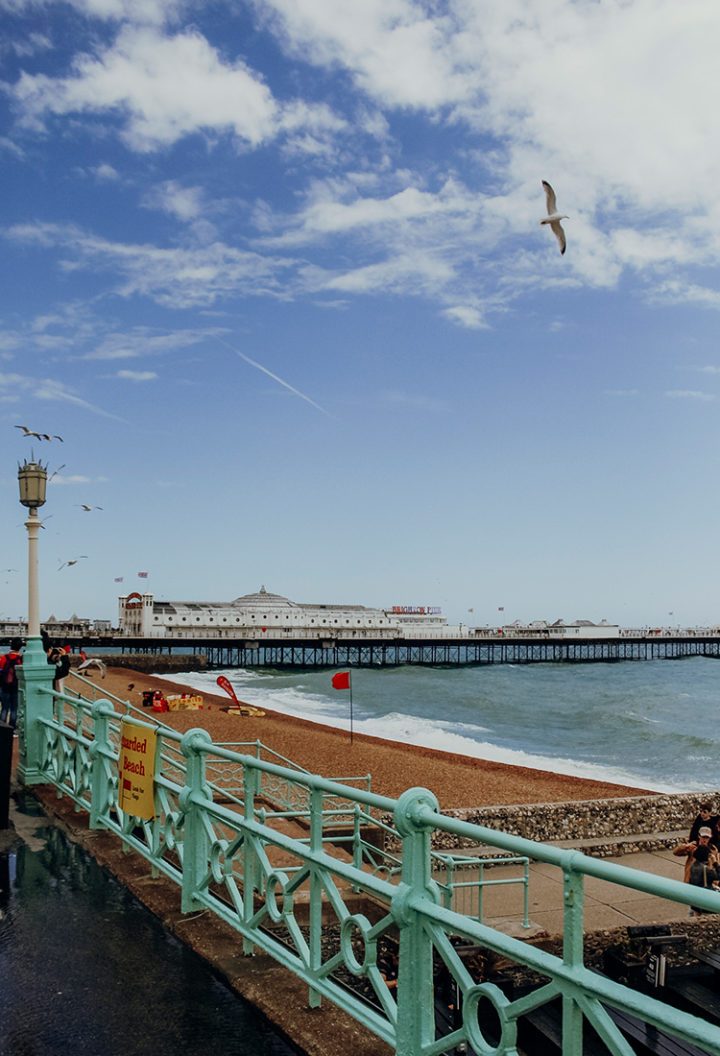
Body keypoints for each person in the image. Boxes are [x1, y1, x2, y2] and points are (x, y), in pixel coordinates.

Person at [688, 844, 720, 916]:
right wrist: (715, 862)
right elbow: (719, 875)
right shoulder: (706, 869)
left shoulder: (693, 866)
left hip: (695, 902)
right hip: (706, 901)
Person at [0, 638, 24, 727]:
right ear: (20, 647)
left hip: (4, 686)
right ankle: (12, 729)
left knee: (4, 708)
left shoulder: (4, 658)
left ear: (11, 646)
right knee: (14, 709)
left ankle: (2, 728)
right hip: (16, 686)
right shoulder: (21, 659)